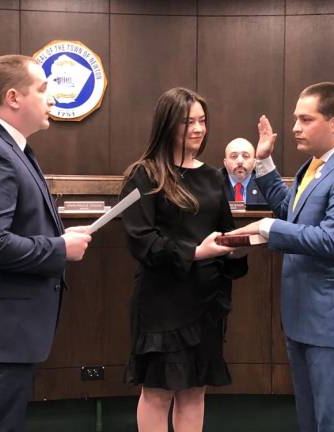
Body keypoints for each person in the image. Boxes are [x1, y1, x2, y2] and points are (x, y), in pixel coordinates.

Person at [0, 54, 92, 432]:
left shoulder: (11, 148)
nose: (51, 99)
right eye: (42, 90)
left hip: (5, 327)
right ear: (13, 97)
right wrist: (60, 248)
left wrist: (60, 238)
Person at [229, 82, 334, 432]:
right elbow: (290, 213)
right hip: (303, 318)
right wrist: (264, 160)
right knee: (310, 421)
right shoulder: (313, 166)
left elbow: (331, 240)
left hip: (332, 322)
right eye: (296, 118)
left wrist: (269, 228)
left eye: (305, 119)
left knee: (332, 422)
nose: (295, 127)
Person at [120, 87, 248, 432]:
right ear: (167, 124)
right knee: (158, 393)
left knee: (194, 392)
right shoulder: (144, 174)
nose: (198, 128)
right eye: (188, 121)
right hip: (163, 302)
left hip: (206, 301)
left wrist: (238, 246)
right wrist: (195, 252)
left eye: (202, 121)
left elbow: (224, 230)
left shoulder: (211, 176)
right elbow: (141, 241)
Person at [220, 137, 267, 207]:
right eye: (234, 156)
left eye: (245, 156)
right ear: (225, 163)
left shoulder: (265, 185)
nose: (240, 161)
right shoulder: (213, 183)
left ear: (254, 163)